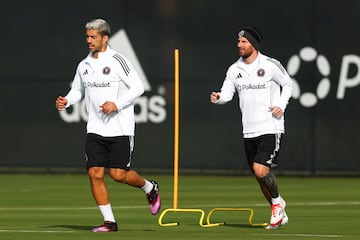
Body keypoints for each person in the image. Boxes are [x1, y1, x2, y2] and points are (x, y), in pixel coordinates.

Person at [55, 18, 161, 233]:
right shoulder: (83, 65)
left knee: (119, 175)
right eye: (87, 36)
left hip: (120, 127)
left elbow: (138, 87)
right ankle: (109, 222)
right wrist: (67, 101)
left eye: (93, 36)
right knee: (94, 173)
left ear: (105, 38)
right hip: (95, 128)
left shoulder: (117, 60)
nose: (89, 40)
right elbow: (77, 91)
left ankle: (149, 187)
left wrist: (117, 104)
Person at [210, 27, 293, 229]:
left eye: (244, 42)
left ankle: (276, 206)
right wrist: (219, 98)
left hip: (270, 127)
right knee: (259, 177)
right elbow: (227, 93)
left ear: (253, 44)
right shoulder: (233, 69)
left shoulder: (270, 64)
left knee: (260, 170)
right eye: (238, 42)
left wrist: (281, 106)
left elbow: (288, 84)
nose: (239, 45)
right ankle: (278, 206)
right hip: (248, 130)